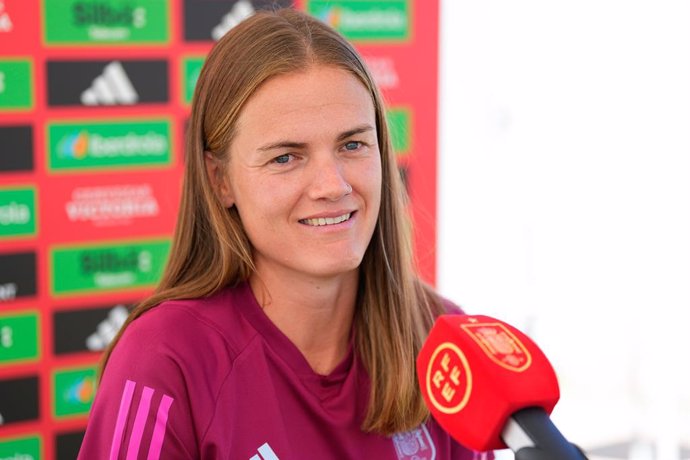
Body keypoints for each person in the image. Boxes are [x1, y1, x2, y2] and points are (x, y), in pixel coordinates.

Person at [78, 8, 494, 460]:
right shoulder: (163, 360)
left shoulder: (443, 340)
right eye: (286, 157)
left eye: (352, 144)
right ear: (221, 181)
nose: (333, 185)